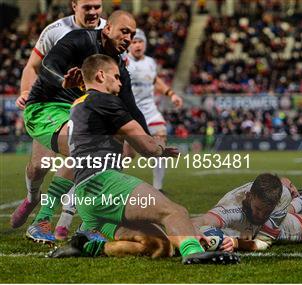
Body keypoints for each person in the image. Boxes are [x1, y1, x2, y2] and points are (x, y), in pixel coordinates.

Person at [48, 54, 239, 265]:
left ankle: (89, 245)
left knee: (160, 245)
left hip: (85, 196)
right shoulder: (105, 101)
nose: (120, 83)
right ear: (101, 75)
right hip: (104, 183)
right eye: (117, 77)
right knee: (175, 212)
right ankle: (193, 253)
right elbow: (146, 147)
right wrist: (160, 149)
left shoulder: (77, 104)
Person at [12, 10, 150, 244]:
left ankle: (84, 224)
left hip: (77, 110)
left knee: (117, 148)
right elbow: (45, 66)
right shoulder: (74, 37)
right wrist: (60, 81)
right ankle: (38, 208)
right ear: (108, 29)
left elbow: (130, 107)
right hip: (46, 106)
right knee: (40, 166)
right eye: (124, 32)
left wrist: (150, 139)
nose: (128, 38)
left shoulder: (116, 62)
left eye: (133, 34)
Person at [11, 0, 106, 240]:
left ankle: (50, 220)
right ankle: (32, 198)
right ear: (74, 5)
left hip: (82, 107)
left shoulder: (108, 32)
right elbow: (32, 67)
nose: (93, 12)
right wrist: (25, 91)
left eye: (98, 6)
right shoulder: (55, 31)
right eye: (87, 7)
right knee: (39, 166)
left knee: (84, 150)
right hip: (50, 104)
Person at [124, 29, 183, 192]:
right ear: (129, 45)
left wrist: (171, 94)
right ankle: (111, 184)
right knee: (127, 155)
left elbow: (155, 80)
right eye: (134, 42)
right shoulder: (123, 60)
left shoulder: (150, 62)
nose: (137, 45)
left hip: (150, 111)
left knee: (160, 143)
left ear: (145, 44)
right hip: (129, 113)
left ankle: (158, 187)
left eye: (140, 41)